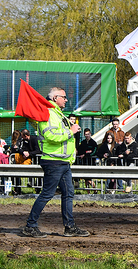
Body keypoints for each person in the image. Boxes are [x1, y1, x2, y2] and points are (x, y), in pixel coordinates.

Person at [21, 87, 89, 238]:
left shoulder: (58, 114)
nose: (66, 99)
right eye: (63, 97)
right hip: (54, 162)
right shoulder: (48, 113)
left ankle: (69, 227)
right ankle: (30, 226)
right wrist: (71, 131)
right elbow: (51, 136)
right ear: (54, 98)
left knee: (68, 193)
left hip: (62, 162)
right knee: (47, 194)